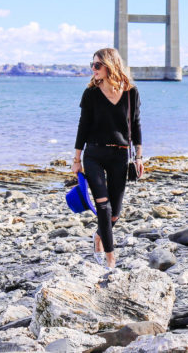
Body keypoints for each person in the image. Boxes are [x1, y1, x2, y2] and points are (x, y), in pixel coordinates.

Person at [72, 47, 143, 268]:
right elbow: (83, 127)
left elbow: (136, 124)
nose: (93, 69)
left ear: (110, 65)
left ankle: (99, 236)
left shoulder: (131, 92)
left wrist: (139, 157)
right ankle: (110, 258)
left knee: (115, 213)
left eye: (97, 65)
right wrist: (77, 159)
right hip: (94, 154)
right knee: (102, 205)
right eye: (92, 65)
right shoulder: (91, 94)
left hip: (120, 155)